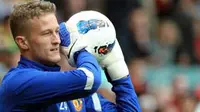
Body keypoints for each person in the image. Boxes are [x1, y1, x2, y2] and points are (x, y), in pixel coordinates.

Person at [0, 1, 141, 112]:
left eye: (57, 31)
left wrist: (118, 69)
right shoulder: (18, 82)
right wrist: (80, 50)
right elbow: (90, 78)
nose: (57, 40)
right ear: (23, 42)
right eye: (47, 33)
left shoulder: (73, 90)